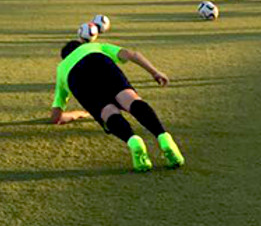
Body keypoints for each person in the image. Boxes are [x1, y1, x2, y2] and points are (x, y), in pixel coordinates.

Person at [50, 39, 184, 172]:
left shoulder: (62, 68)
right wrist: (155, 72)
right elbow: (132, 54)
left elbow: (56, 117)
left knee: (108, 111)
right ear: (81, 46)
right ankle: (163, 136)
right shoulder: (93, 46)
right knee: (130, 99)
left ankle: (133, 141)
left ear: (64, 58)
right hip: (98, 61)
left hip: (75, 77)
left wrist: (77, 114)